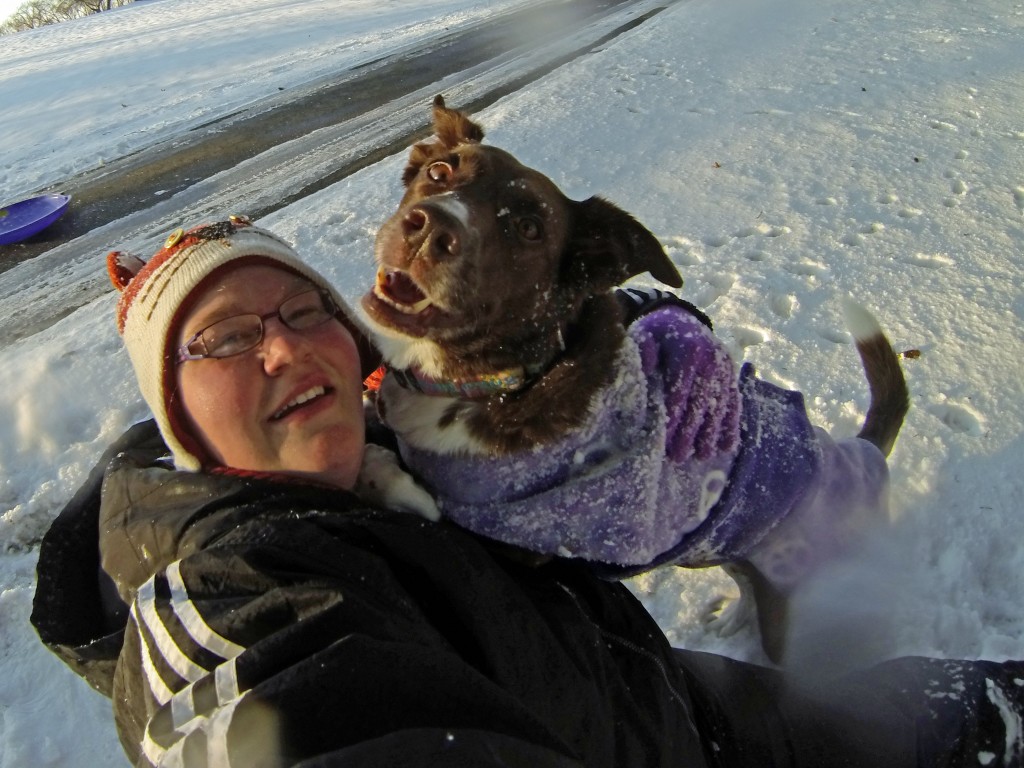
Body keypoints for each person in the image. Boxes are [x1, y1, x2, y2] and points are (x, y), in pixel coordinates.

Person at [31, 217, 1024, 767]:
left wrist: (652, 328)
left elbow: (529, 337)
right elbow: (298, 723)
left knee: (958, 712)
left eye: (302, 310)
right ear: (174, 412)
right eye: (227, 338)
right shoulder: (224, 601)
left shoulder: (397, 422)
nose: (286, 344)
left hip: (676, 702)